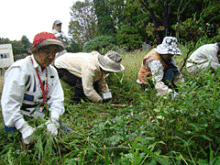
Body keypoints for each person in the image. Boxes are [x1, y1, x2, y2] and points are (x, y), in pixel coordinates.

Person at [1, 32, 66, 144]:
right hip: (18, 119)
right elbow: (9, 104)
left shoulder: (52, 71)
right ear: (35, 51)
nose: (51, 57)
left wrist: (54, 120)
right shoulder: (20, 69)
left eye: (54, 53)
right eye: (47, 52)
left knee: (65, 136)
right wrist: (24, 128)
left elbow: (57, 98)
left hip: (40, 117)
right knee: (26, 146)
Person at [54, 51, 125, 103]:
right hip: (60, 66)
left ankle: (86, 99)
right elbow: (88, 90)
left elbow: (103, 85)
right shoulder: (90, 67)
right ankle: (75, 102)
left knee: (95, 85)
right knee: (80, 85)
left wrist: (109, 98)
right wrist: (100, 101)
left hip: (76, 65)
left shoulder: (100, 69)